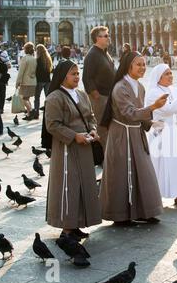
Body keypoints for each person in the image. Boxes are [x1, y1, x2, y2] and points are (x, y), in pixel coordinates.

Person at [99, 52, 168, 226]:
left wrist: (150, 123)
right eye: (138, 64)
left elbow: (139, 114)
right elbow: (129, 113)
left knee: (143, 173)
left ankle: (144, 211)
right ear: (128, 66)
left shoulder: (140, 87)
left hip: (136, 134)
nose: (142, 68)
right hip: (122, 135)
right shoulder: (120, 88)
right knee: (122, 174)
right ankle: (120, 215)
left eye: (144, 64)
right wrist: (153, 107)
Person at [44, 59, 101, 241]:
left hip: (84, 146)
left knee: (83, 185)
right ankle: (67, 227)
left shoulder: (82, 95)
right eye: (73, 73)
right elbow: (52, 125)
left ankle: (77, 223)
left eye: (78, 73)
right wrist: (74, 136)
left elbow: (90, 117)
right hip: (66, 148)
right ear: (63, 76)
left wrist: (93, 130)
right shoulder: (54, 98)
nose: (77, 77)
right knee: (68, 185)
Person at [145, 64, 177, 208]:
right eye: (166, 74)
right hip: (163, 134)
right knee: (162, 166)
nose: (170, 76)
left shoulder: (174, 89)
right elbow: (167, 110)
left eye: (171, 73)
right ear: (158, 77)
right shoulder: (154, 93)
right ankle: (155, 196)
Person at [83, 26, 116, 154]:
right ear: (97, 38)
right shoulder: (92, 55)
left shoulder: (104, 53)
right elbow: (87, 78)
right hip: (100, 98)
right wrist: (96, 95)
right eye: (106, 35)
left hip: (108, 96)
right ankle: (105, 156)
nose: (109, 37)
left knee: (108, 127)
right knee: (102, 128)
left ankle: (108, 155)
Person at [15, 42, 37, 120]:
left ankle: (31, 111)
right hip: (33, 81)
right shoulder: (34, 59)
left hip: (25, 82)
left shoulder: (25, 58)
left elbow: (21, 72)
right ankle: (29, 114)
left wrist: (17, 82)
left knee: (24, 99)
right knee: (27, 98)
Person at [33, 44, 53, 120]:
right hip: (47, 80)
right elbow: (51, 70)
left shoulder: (37, 60)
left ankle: (36, 113)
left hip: (39, 81)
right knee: (48, 97)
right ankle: (50, 113)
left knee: (37, 97)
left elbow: (35, 71)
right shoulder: (48, 59)